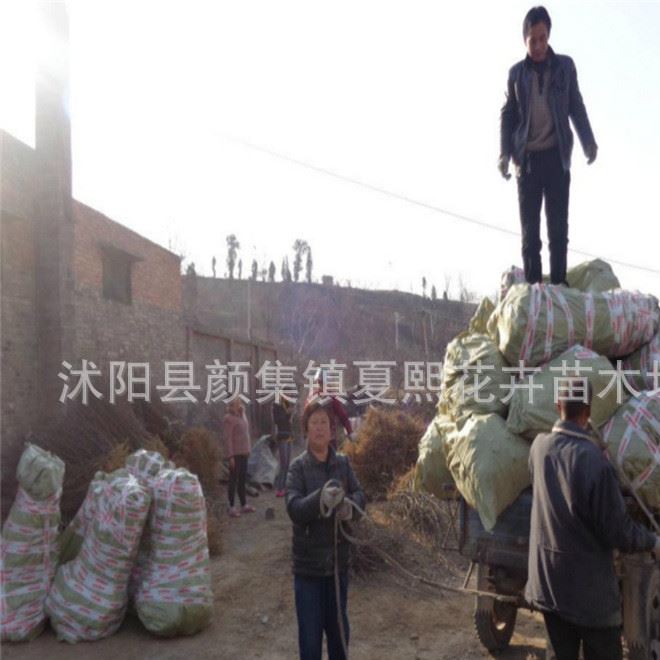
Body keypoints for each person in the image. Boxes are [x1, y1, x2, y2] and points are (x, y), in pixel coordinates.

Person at [526, 380, 660, 660]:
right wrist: (652, 541)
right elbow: (618, 532)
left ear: (557, 407)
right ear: (589, 412)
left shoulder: (538, 449)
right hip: (590, 600)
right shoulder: (597, 464)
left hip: (549, 588)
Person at [499, 6, 598, 286]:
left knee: (558, 231)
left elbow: (575, 106)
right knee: (530, 235)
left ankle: (558, 288)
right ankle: (534, 294)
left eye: (543, 38)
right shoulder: (516, 74)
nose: (539, 45)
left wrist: (587, 141)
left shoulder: (564, 67)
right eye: (533, 40)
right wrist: (504, 154)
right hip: (527, 162)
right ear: (525, 41)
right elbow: (508, 115)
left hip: (556, 159)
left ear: (549, 35)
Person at [286, 400, 366, 660]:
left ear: (333, 430)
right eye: (314, 423)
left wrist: (350, 508)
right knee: (310, 641)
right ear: (306, 429)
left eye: (324, 423)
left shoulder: (342, 464)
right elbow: (294, 508)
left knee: (339, 636)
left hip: (336, 567)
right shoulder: (298, 467)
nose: (320, 428)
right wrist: (319, 499)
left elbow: (359, 494)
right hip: (308, 569)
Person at [222, 398, 256, 518]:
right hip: (235, 454)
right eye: (236, 403)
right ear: (231, 405)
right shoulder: (228, 419)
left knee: (242, 479)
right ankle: (231, 506)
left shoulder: (243, 415)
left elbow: (246, 434)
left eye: (239, 402)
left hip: (243, 452)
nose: (239, 404)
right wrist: (230, 456)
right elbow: (228, 439)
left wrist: (248, 449)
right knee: (233, 479)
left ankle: (244, 504)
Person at [306, 368, 354, 450]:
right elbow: (305, 416)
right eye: (319, 382)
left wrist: (350, 432)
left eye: (321, 382)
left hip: (329, 438)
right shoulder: (312, 397)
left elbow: (342, 416)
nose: (320, 384)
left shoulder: (331, 397)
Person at [272, 398, 294, 498]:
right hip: (282, 436)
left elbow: (289, 421)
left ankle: (285, 487)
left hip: (289, 436)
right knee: (283, 463)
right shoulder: (276, 406)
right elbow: (278, 421)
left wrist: (290, 414)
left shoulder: (287, 404)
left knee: (288, 463)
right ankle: (279, 488)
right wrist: (287, 413)